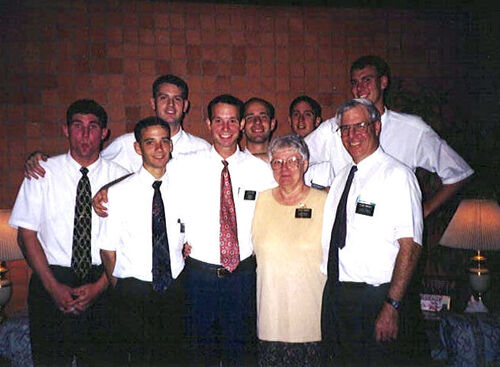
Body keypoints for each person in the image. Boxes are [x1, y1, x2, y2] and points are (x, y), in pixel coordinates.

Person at [8, 99, 128, 366]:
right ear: (65, 129)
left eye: (93, 126)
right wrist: (53, 287)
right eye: (78, 126)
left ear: (104, 133)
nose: (85, 134)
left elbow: (127, 242)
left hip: (103, 281)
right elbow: (26, 236)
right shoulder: (42, 173)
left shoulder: (122, 178)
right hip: (51, 279)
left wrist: (100, 287)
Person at [166, 94, 276, 366]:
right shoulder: (182, 165)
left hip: (243, 277)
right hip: (199, 277)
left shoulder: (261, 171)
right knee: (199, 354)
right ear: (208, 124)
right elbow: (156, 191)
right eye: (218, 120)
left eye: (231, 121)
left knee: (241, 354)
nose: (225, 128)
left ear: (241, 125)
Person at [320, 98, 423, 367]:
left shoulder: (397, 175)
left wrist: (392, 306)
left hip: (376, 300)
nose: (351, 135)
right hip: (339, 297)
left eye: (359, 126)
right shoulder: (342, 177)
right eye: (344, 129)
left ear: (377, 127)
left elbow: (410, 246)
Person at [305, 55, 473, 218]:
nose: (360, 88)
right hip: (344, 234)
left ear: (383, 82)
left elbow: (459, 173)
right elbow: (295, 157)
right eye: (355, 83)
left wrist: (425, 210)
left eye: (367, 80)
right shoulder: (334, 127)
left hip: (391, 235)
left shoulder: (411, 129)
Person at [98, 117, 186, 366]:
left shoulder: (183, 188)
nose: (159, 149)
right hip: (133, 293)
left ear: (171, 145)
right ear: (138, 148)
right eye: (150, 142)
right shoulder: (118, 193)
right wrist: (121, 287)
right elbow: (107, 250)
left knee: (173, 358)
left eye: (164, 141)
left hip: (174, 289)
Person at [23, 74, 210, 177]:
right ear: (153, 103)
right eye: (163, 98)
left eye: (177, 99)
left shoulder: (201, 149)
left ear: (185, 106)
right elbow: (87, 165)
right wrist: (43, 161)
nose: (170, 105)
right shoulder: (126, 144)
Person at [252, 134, 327, 367]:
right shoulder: (260, 201)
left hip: (311, 320)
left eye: (293, 161)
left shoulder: (325, 201)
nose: (284, 168)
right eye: (277, 162)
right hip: (269, 319)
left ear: (305, 164)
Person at [242, 97, 277, 162]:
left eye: (263, 117)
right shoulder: (232, 165)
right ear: (242, 125)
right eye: (250, 118)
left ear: (272, 124)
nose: (257, 121)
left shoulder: (285, 163)